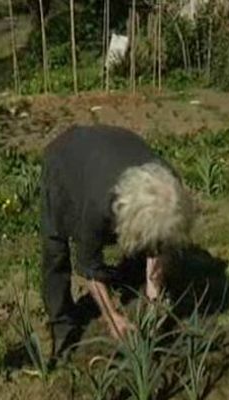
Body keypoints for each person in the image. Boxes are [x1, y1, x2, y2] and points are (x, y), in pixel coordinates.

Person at [41, 124, 194, 356]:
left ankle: (132, 275)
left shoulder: (169, 185)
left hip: (109, 149)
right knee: (55, 249)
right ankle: (62, 324)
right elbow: (88, 267)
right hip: (65, 161)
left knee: (150, 239)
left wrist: (154, 295)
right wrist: (112, 317)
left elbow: (159, 245)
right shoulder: (98, 206)